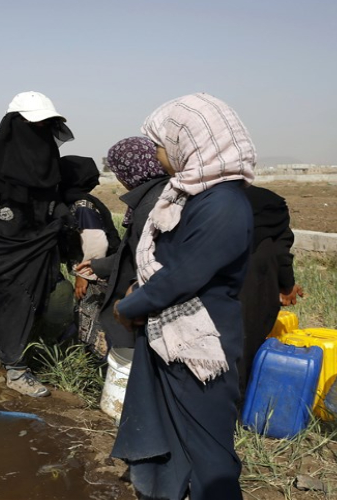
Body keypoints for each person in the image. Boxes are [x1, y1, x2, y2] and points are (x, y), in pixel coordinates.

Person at [111, 92, 257, 500]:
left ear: (187, 144)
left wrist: (130, 306)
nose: (158, 156)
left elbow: (183, 276)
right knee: (178, 440)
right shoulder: (197, 196)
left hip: (199, 342)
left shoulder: (222, 204)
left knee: (209, 453)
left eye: (162, 145)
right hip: (174, 333)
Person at [0, 91, 74, 398]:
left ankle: (3, 353)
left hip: (38, 245)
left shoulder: (47, 157)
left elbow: (51, 200)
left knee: (29, 303)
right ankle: (15, 368)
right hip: (0, 247)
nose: (41, 131)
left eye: (46, 125)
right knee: (7, 301)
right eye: (35, 125)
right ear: (15, 124)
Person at [75, 136, 169, 356]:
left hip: (142, 300)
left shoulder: (151, 205)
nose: (119, 179)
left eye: (119, 172)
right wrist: (100, 265)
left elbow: (145, 258)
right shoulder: (160, 194)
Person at [237, 185, 305, 395]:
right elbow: (281, 251)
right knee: (251, 337)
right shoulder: (271, 202)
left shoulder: (215, 201)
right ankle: (244, 396)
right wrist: (287, 285)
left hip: (224, 281)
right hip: (261, 283)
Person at [57, 155, 121, 358]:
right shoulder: (79, 202)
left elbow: (96, 242)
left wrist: (83, 274)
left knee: (94, 315)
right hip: (98, 271)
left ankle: (99, 360)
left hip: (97, 274)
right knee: (87, 314)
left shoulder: (82, 205)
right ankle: (80, 353)